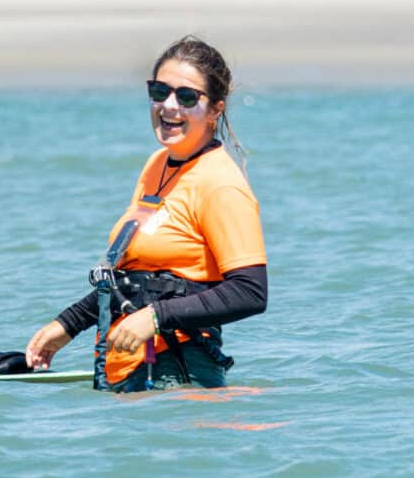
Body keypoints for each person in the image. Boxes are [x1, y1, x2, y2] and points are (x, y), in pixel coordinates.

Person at [25, 36, 267, 391]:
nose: (169, 106)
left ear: (215, 109)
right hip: (125, 372)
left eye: (186, 97)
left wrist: (156, 318)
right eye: (159, 91)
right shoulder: (158, 165)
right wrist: (68, 324)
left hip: (179, 375)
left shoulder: (220, 183)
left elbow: (250, 292)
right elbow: (138, 278)